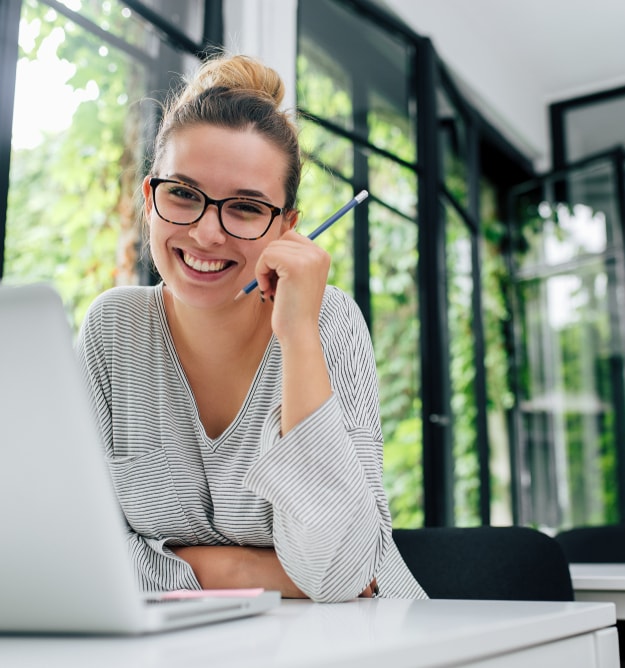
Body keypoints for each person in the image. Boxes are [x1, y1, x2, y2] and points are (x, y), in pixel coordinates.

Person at [75, 53, 426, 603]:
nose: (207, 232)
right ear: (150, 198)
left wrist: (299, 335)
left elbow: (342, 571)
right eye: (183, 195)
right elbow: (79, 551)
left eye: (244, 208)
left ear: (287, 228)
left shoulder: (327, 321)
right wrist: (257, 575)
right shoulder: (112, 328)